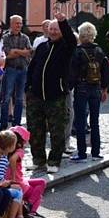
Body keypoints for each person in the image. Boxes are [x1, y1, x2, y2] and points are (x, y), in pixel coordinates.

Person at [25, 13, 76, 174]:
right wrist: (28, 87)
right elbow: (32, 67)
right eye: (51, 28)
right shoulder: (41, 47)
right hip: (36, 96)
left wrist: (63, 22)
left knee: (57, 131)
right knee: (35, 130)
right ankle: (38, 160)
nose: (53, 31)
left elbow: (71, 39)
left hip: (56, 96)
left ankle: (54, 160)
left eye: (56, 29)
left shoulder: (66, 46)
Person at [69, 22, 109, 163]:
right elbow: (105, 71)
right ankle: (96, 153)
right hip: (96, 88)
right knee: (95, 121)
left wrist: (69, 87)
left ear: (81, 35)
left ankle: (81, 153)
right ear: (93, 35)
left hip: (81, 87)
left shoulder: (77, 51)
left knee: (80, 121)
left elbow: (72, 72)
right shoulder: (99, 50)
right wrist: (104, 89)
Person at [7, 126, 47, 218]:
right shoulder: (19, 151)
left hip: (16, 181)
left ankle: (29, 210)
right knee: (41, 187)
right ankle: (30, 210)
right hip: (18, 182)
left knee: (40, 183)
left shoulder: (5, 151)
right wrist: (12, 176)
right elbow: (13, 160)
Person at [0, 15, 32, 130]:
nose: (19, 25)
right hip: (10, 69)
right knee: (6, 97)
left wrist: (16, 51)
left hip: (23, 70)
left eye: (20, 23)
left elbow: (29, 52)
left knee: (19, 99)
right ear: (11, 24)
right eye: (17, 23)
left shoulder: (25, 37)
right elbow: (7, 54)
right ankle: (3, 124)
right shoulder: (5, 37)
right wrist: (22, 51)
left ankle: (17, 124)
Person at [0, 131, 27, 218]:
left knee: (18, 188)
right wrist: (8, 184)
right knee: (18, 193)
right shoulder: (3, 159)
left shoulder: (0, 156)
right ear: (11, 146)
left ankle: (19, 217)